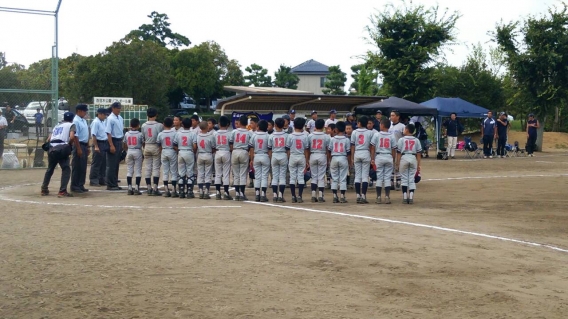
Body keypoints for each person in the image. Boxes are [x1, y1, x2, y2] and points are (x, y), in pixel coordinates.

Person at [40, 112, 79, 197]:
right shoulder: (71, 125)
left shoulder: (57, 126)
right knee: (66, 169)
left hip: (52, 148)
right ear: (72, 119)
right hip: (62, 148)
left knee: (50, 169)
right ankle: (62, 191)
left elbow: (49, 138)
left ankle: (44, 189)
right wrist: (69, 144)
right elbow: (72, 137)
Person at [371, 118, 396, 204]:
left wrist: (372, 158)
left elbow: (373, 147)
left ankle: (378, 197)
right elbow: (393, 149)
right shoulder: (391, 136)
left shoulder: (377, 135)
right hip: (388, 156)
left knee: (379, 177)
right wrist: (393, 159)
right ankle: (387, 197)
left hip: (379, 156)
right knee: (387, 177)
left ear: (382, 125)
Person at [351, 116, 375, 204]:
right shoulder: (370, 132)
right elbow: (372, 147)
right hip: (366, 152)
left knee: (357, 175)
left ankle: (358, 195)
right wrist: (372, 158)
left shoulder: (354, 132)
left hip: (357, 152)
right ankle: (363, 196)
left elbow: (352, 146)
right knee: (365, 176)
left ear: (359, 123)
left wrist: (352, 157)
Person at [396, 123, 422, 204]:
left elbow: (399, 153)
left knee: (404, 178)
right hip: (413, 157)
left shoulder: (401, 140)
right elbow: (418, 153)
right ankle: (410, 196)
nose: (403, 130)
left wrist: (397, 163)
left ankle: (404, 196)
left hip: (404, 157)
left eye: (404, 129)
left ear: (407, 130)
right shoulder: (416, 140)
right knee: (411, 179)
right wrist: (418, 165)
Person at [141, 108, 164, 196]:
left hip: (147, 145)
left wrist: (144, 147)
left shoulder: (143, 125)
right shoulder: (159, 125)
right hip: (155, 145)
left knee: (148, 167)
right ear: (156, 114)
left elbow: (142, 138)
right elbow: (161, 137)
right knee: (156, 168)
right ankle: (155, 187)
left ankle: (148, 187)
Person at [287, 117, 309, 203]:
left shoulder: (290, 136)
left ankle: (293, 196)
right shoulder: (305, 136)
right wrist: (307, 160)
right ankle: (299, 196)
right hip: (301, 156)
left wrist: (289, 158)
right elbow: (306, 150)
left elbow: (288, 149)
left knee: (292, 177)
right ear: (303, 126)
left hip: (293, 156)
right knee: (300, 177)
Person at [230, 115, 252, 201]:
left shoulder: (234, 132)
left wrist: (233, 151)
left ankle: (237, 193)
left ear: (239, 122)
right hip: (244, 151)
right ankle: (242, 193)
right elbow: (251, 146)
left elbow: (230, 143)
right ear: (247, 123)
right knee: (243, 174)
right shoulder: (249, 132)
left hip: (235, 151)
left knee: (236, 174)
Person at [328, 121, 351, 203]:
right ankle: (342, 196)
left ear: (336, 130)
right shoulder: (346, 139)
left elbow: (329, 151)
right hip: (343, 158)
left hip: (334, 157)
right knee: (343, 178)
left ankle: (334, 196)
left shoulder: (332, 139)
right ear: (344, 129)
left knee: (334, 178)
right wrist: (349, 162)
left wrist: (329, 160)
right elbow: (348, 152)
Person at [308, 119, 331, 202]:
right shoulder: (326, 136)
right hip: (322, 155)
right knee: (321, 177)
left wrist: (307, 159)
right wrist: (328, 160)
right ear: (323, 126)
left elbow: (307, 148)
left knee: (314, 176)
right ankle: (321, 195)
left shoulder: (310, 135)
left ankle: (313, 195)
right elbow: (328, 150)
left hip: (313, 155)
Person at [174, 118, 196, 199]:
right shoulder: (192, 133)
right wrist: (193, 152)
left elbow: (174, 145)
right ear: (190, 125)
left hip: (181, 152)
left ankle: (181, 191)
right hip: (189, 151)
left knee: (181, 172)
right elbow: (194, 146)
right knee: (190, 172)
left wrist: (179, 150)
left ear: (182, 124)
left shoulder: (178, 133)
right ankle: (189, 191)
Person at [157, 117, 179, 197]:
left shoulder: (160, 133)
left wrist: (161, 151)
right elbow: (176, 144)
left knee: (165, 171)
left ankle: (166, 190)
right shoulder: (174, 133)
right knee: (173, 171)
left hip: (164, 151)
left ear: (163, 124)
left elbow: (159, 145)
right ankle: (173, 190)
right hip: (172, 151)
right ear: (172, 124)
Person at [249, 120, 270, 202]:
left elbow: (251, 148)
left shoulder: (254, 135)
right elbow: (269, 149)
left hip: (256, 155)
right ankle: (263, 195)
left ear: (258, 127)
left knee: (257, 177)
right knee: (264, 176)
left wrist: (251, 159)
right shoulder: (268, 136)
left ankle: (257, 194)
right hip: (265, 155)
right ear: (266, 127)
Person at [70, 104, 90, 193]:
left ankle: (81, 184)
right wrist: (78, 148)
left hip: (84, 144)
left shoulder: (83, 120)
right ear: (79, 111)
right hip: (79, 144)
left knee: (83, 166)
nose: (85, 113)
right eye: (84, 111)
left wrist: (88, 146)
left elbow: (86, 134)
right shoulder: (76, 121)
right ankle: (75, 185)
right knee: (77, 166)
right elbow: (75, 136)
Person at [105, 102, 124, 190]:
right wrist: (111, 145)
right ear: (113, 108)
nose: (119, 110)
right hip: (113, 140)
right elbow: (108, 132)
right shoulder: (110, 119)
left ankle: (114, 182)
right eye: (117, 108)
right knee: (111, 164)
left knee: (116, 163)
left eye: (119, 108)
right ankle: (110, 184)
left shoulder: (120, 118)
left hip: (119, 140)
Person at [268, 118, 288, 202]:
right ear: (284, 125)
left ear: (275, 125)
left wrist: (270, 157)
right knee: (282, 176)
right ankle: (280, 195)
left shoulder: (271, 135)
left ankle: (275, 195)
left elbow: (269, 149)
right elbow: (288, 149)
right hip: (283, 154)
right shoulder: (287, 135)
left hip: (274, 155)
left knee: (275, 177)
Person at [213, 116, 232, 200]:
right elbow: (231, 145)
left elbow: (213, 145)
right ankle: (226, 192)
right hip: (226, 151)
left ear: (219, 124)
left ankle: (217, 192)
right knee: (226, 174)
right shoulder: (229, 133)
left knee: (218, 173)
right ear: (227, 124)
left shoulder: (215, 133)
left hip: (218, 152)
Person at [195, 121, 216, 199]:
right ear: (207, 127)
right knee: (208, 173)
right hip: (208, 154)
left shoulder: (197, 136)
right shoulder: (211, 136)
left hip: (200, 154)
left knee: (200, 173)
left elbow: (195, 146)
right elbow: (214, 147)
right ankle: (206, 191)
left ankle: (200, 191)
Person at [123, 118, 143, 195]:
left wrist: (126, 150)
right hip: (137, 150)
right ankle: (137, 188)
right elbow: (142, 143)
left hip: (129, 150)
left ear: (130, 125)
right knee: (138, 170)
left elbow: (124, 144)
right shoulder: (140, 134)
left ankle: (129, 188)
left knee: (129, 170)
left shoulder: (127, 133)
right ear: (138, 125)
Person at [89, 108, 108, 187]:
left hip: (104, 143)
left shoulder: (102, 122)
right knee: (96, 163)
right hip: (98, 143)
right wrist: (96, 146)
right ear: (100, 114)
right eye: (104, 115)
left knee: (103, 163)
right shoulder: (96, 122)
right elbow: (94, 135)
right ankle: (93, 180)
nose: (105, 116)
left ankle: (101, 179)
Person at [389, 110, 405, 190]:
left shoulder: (402, 126)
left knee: (398, 164)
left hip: (399, 149)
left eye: (393, 115)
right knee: (391, 164)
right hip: (390, 149)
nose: (391, 117)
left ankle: (398, 181)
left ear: (398, 117)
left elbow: (405, 138)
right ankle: (391, 182)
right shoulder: (389, 126)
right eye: (391, 115)